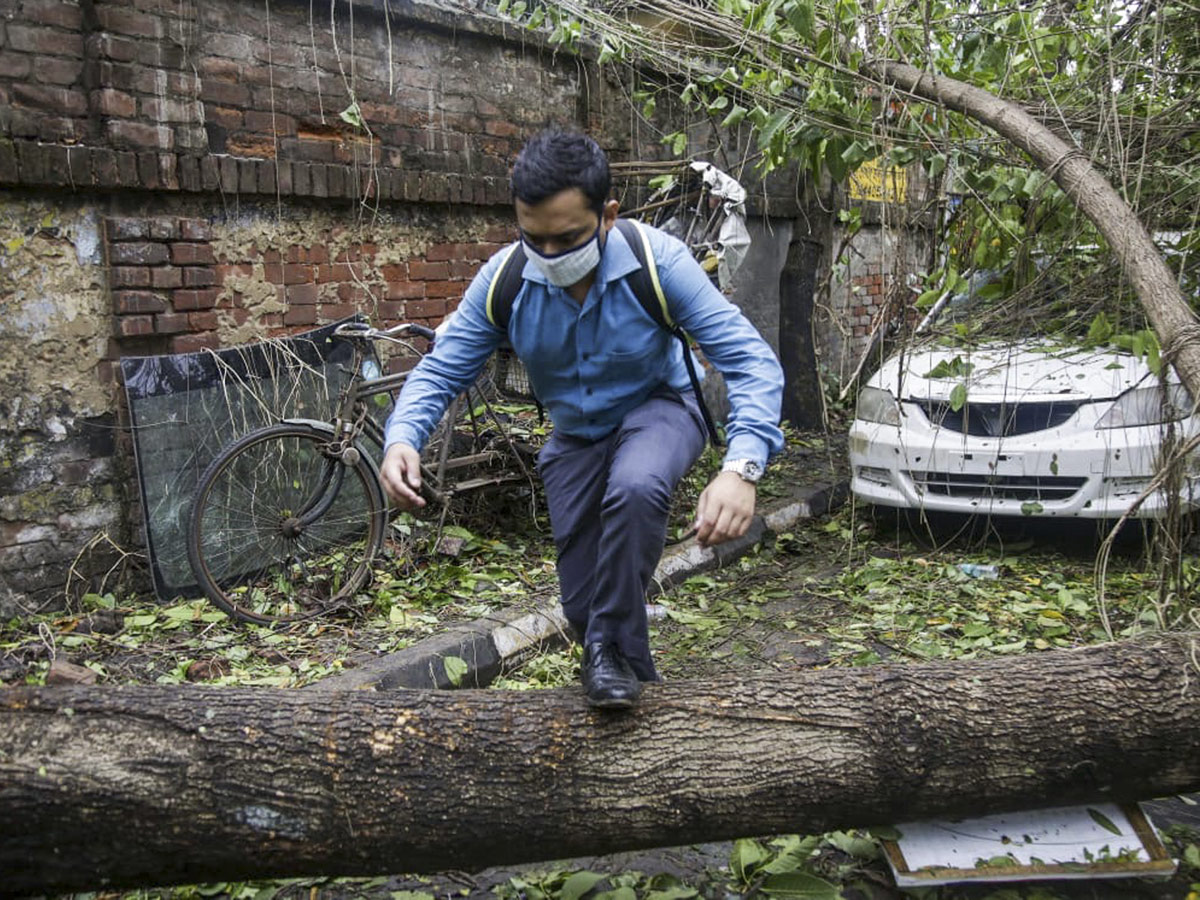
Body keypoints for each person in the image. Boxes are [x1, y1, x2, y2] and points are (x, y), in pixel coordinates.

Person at [380, 130, 784, 708]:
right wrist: (403, 438)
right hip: (574, 436)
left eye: (567, 238)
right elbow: (441, 371)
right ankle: (636, 691)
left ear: (608, 216)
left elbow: (751, 363)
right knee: (585, 607)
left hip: (662, 409)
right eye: (533, 237)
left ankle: (609, 655)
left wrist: (741, 468)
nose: (549, 256)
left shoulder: (659, 263)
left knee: (636, 486)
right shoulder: (507, 279)